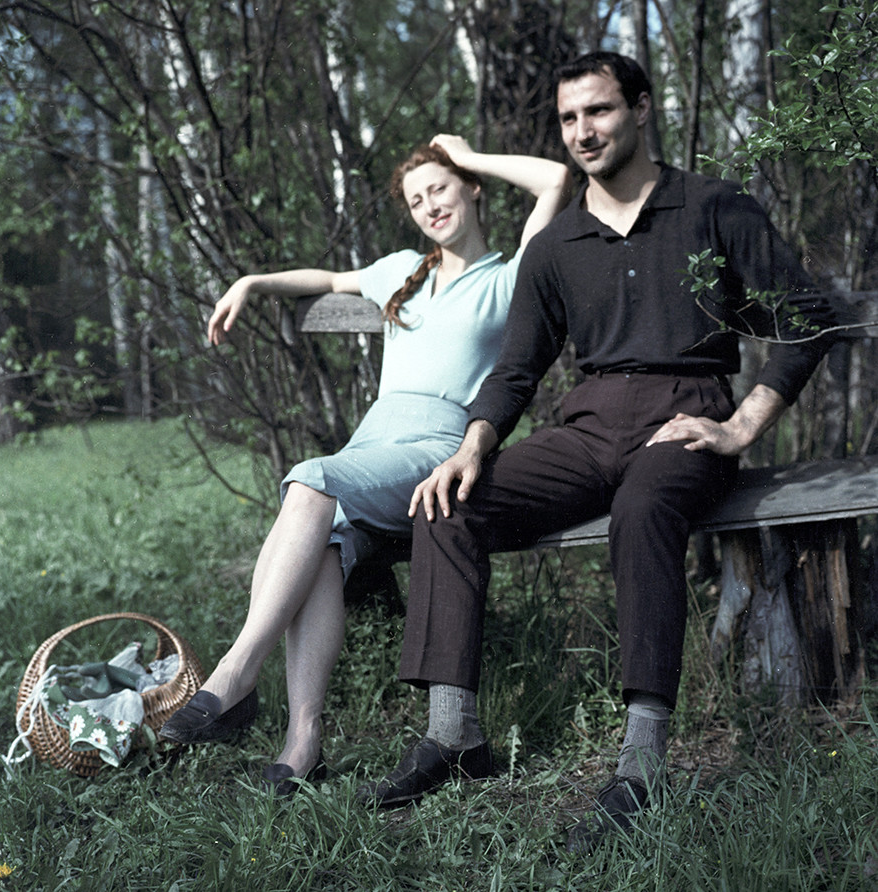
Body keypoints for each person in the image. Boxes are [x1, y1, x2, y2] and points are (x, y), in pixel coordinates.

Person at [355, 52, 836, 853]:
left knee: (644, 509)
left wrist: (743, 424)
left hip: (686, 419)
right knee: (448, 505)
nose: (584, 131)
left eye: (600, 111)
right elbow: (516, 369)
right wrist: (474, 445)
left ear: (641, 110)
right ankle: (452, 738)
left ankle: (641, 767)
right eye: (571, 118)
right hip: (588, 424)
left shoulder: (713, 207)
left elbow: (806, 313)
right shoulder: (558, 243)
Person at [159, 135, 572, 795]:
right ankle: (303, 744)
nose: (430, 205)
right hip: (371, 445)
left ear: (470, 189)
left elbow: (555, 179)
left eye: (440, 188)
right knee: (320, 542)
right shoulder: (402, 269)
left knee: (308, 477)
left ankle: (235, 677)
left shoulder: (508, 275)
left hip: (439, 448)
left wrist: (467, 155)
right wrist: (251, 281)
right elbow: (325, 282)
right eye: (416, 199)